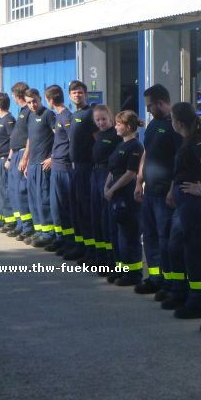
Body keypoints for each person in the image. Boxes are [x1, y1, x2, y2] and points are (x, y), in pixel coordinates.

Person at [162, 101, 201, 319]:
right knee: (176, 248)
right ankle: (181, 293)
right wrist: (172, 191)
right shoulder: (187, 141)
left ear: (177, 121)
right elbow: (181, 171)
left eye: (171, 119)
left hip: (195, 206)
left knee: (197, 254)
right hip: (183, 205)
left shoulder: (197, 143)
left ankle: (200, 303)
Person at [134, 85, 181, 297]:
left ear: (161, 103)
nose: (149, 109)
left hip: (165, 194)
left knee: (165, 238)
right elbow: (147, 153)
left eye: (150, 105)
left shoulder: (175, 126)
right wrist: (139, 181)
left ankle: (169, 282)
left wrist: (173, 189)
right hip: (149, 192)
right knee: (150, 236)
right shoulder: (153, 125)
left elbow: (181, 161)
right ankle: (155, 277)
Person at [105, 110, 144, 286]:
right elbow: (113, 169)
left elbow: (131, 173)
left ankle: (133, 273)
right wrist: (107, 185)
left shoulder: (135, 146)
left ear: (128, 127)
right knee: (117, 234)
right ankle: (121, 269)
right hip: (115, 194)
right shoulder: (121, 144)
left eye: (118, 124)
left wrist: (112, 188)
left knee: (129, 235)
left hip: (126, 195)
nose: (115, 127)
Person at [66, 81, 98, 263]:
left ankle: (91, 251)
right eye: (74, 92)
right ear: (70, 95)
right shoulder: (73, 115)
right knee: (76, 210)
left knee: (86, 210)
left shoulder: (90, 114)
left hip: (87, 168)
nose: (77, 95)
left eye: (80, 92)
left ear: (86, 94)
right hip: (74, 168)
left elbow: (98, 140)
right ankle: (80, 247)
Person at [22, 87, 55, 247]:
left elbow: (61, 137)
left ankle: (48, 233)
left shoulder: (48, 115)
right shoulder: (29, 116)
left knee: (44, 199)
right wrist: (26, 160)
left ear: (40, 98)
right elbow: (30, 139)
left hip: (44, 165)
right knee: (34, 200)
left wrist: (52, 158)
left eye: (34, 101)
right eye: (29, 102)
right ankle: (39, 230)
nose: (32, 105)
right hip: (33, 164)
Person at [90, 105, 121, 276]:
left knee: (107, 218)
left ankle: (111, 262)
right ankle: (100, 259)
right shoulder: (99, 135)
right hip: (95, 174)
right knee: (97, 217)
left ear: (111, 119)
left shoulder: (115, 136)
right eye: (98, 120)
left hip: (106, 175)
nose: (101, 122)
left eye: (104, 119)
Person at [44, 85, 74, 253]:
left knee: (64, 205)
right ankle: (61, 238)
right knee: (56, 206)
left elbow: (72, 142)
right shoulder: (58, 117)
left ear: (50, 100)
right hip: (57, 165)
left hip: (64, 167)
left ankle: (69, 241)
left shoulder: (66, 117)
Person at [6, 82, 33, 240]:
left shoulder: (29, 113)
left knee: (22, 191)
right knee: (15, 191)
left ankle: (28, 226)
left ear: (17, 95)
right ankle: (20, 223)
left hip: (23, 154)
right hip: (16, 154)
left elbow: (31, 137)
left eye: (13, 96)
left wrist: (25, 158)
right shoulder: (22, 112)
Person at [0, 93, 17, 232]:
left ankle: (10, 221)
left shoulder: (9, 120)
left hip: (3, 160)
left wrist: (9, 159)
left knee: (4, 190)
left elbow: (14, 141)